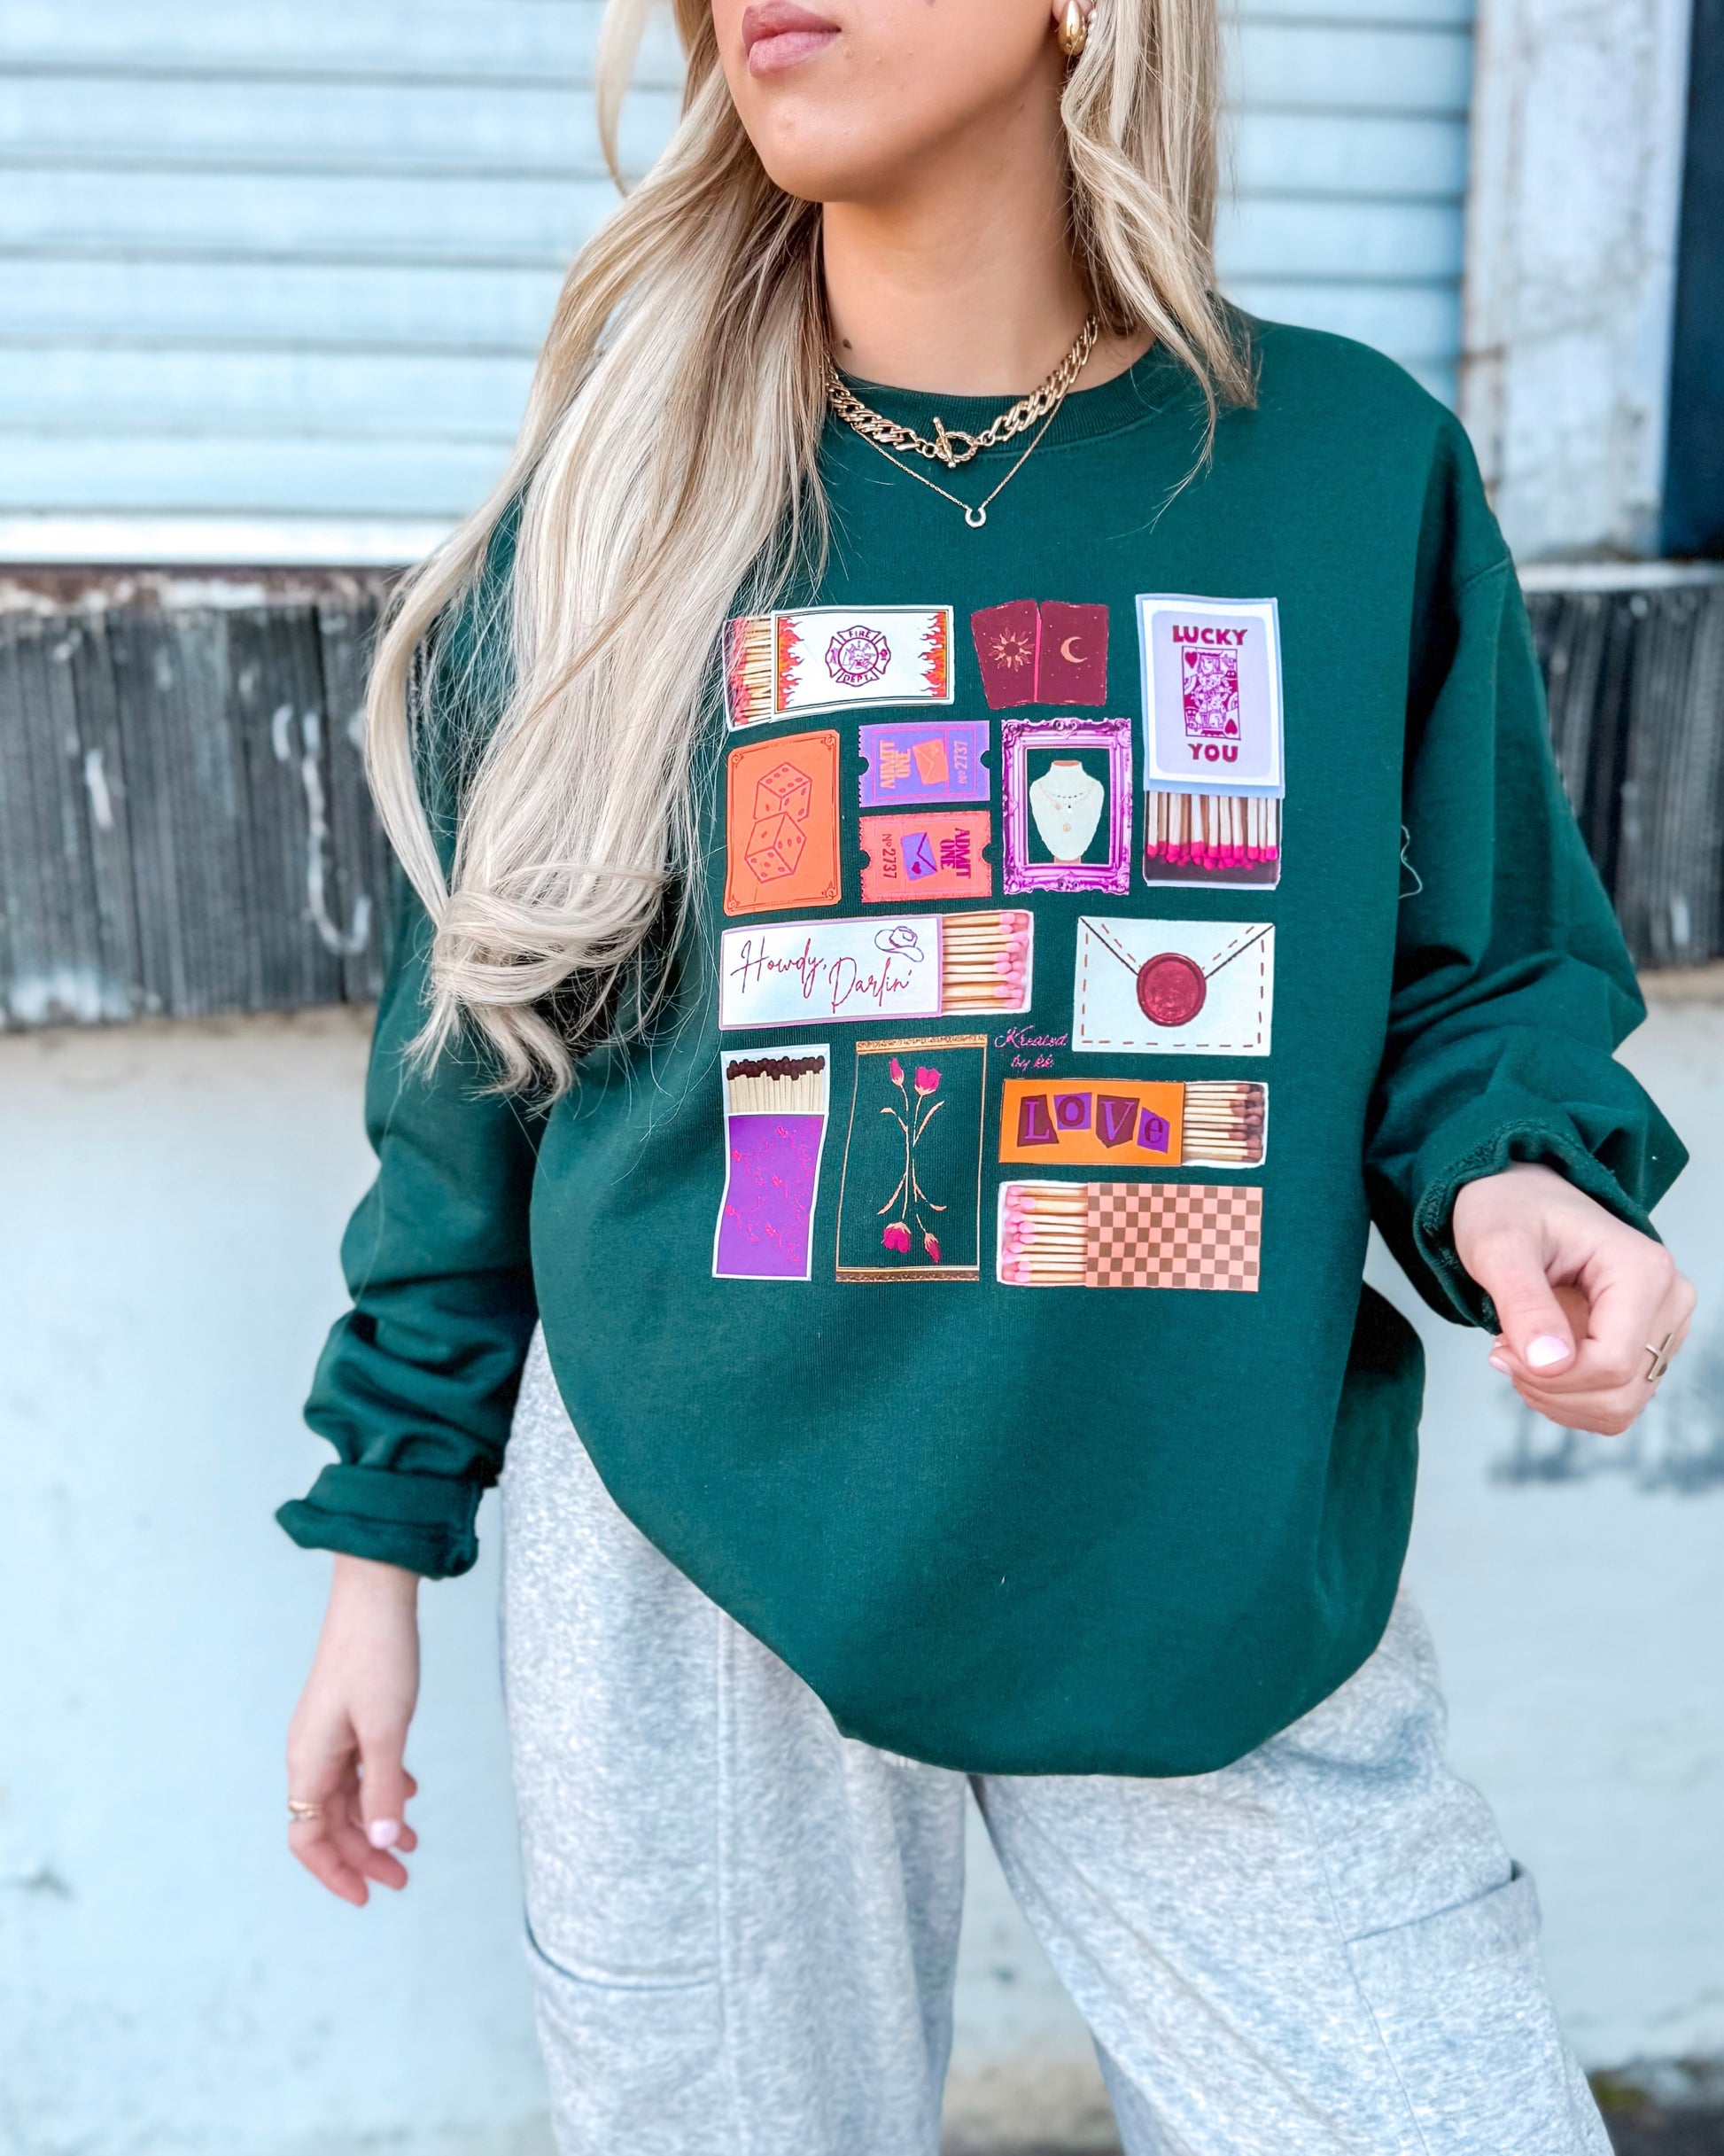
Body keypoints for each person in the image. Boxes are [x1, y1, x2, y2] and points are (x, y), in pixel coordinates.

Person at [277, 0, 1695, 2147]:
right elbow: (479, 1053)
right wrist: (378, 1545)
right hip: (687, 1528)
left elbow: (1464, 962)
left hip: (1192, 1512)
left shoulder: (1343, 467)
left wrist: (1518, 1176)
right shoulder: (623, 495)